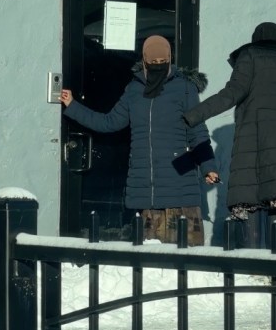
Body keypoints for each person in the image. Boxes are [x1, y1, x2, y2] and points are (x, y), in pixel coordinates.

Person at [59, 35, 219, 246]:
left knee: (183, 262)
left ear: (169, 59)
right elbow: (109, 122)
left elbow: (198, 130)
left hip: (179, 188)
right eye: (153, 63)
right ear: (144, 60)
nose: (158, 67)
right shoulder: (134, 90)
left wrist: (209, 167)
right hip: (146, 188)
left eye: (163, 63)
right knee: (152, 269)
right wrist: (73, 106)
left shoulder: (184, 88)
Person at [182, 21, 276, 248]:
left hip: (253, 154)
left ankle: (252, 272)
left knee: (251, 209)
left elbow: (230, 94)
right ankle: (273, 271)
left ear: (257, 38)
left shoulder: (251, 57)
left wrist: (191, 116)